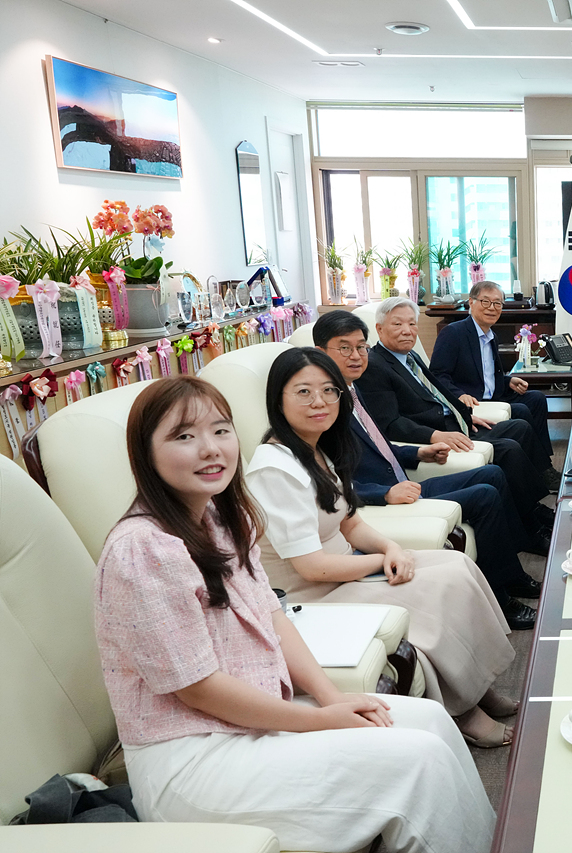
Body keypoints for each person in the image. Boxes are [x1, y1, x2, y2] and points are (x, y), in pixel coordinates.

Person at [94, 376, 495, 853]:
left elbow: (273, 617)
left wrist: (329, 699)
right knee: (417, 760)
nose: (210, 449)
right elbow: (197, 687)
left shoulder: (222, 518)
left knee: (429, 721)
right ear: (145, 452)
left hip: (251, 718)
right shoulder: (142, 550)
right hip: (193, 757)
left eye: (221, 431)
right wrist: (322, 721)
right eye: (183, 436)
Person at [245, 347, 521, 748]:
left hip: (345, 569)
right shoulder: (275, 468)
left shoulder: (319, 447)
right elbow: (311, 568)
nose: (318, 402)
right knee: (432, 595)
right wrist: (381, 560)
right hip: (313, 594)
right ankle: (462, 710)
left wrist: (390, 548)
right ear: (278, 400)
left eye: (328, 391)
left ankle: (474, 685)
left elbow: (351, 523)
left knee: (456, 568)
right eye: (303, 392)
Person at [314, 309, 545, 627]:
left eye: (361, 347)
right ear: (319, 353)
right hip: (382, 496)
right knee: (485, 494)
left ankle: (515, 569)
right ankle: (501, 597)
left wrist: (419, 454)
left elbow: (379, 447)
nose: (356, 356)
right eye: (344, 348)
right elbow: (328, 483)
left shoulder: (350, 391)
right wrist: (385, 494)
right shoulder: (319, 409)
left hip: (401, 478)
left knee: (492, 473)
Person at [357, 297, 557, 505]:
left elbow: (438, 391)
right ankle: (532, 515)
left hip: (453, 422)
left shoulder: (410, 357)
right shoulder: (374, 367)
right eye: (398, 324)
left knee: (520, 427)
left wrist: (465, 415)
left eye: (412, 323)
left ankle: (541, 486)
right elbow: (390, 424)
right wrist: (436, 435)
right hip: (434, 432)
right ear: (379, 329)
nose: (407, 330)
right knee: (509, 449)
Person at [431, 281, 553, 469]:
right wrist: (459, 395)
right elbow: (437, 376)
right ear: (471, 302)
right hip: (472, 402)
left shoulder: (491, 336)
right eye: (485, 302)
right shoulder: (453, 333)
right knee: (520, 412)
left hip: (493, 395)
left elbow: (486, 374)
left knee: (536, 399)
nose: (492, 308)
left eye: (497, 303)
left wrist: (508, 380)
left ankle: (544, 463)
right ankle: (539, 467)